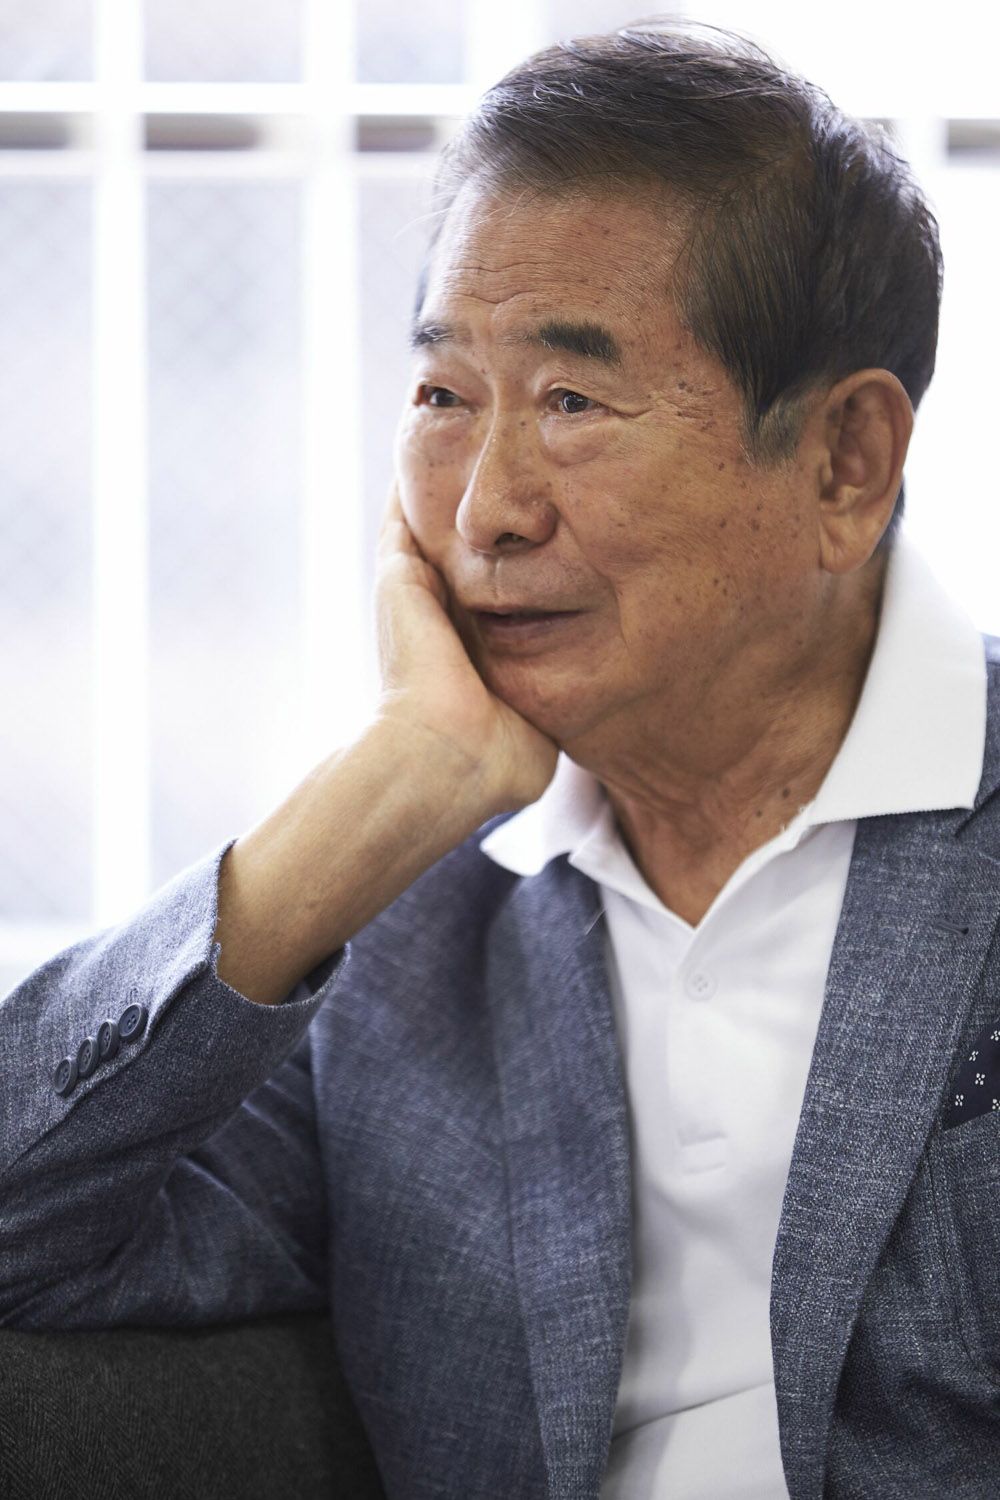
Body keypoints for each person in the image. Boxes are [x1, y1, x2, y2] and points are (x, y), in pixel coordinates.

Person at [2, 19, 998, 1500]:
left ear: (845, 461)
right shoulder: (400, 938)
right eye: (443, 398)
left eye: (571, 403)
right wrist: (390, 779)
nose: (483, 513)